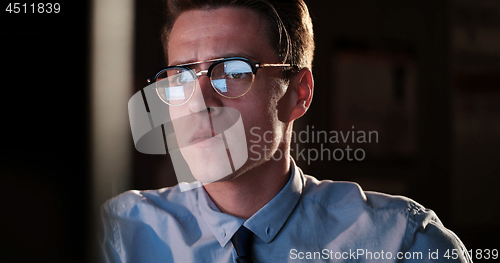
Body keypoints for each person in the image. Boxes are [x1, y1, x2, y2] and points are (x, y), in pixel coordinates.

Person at [100, 0, 471, 262]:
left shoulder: (403, 246)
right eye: (180, 77)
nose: (199, 102)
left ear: (299, 93)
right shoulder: (118, 237)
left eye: (233, 71)